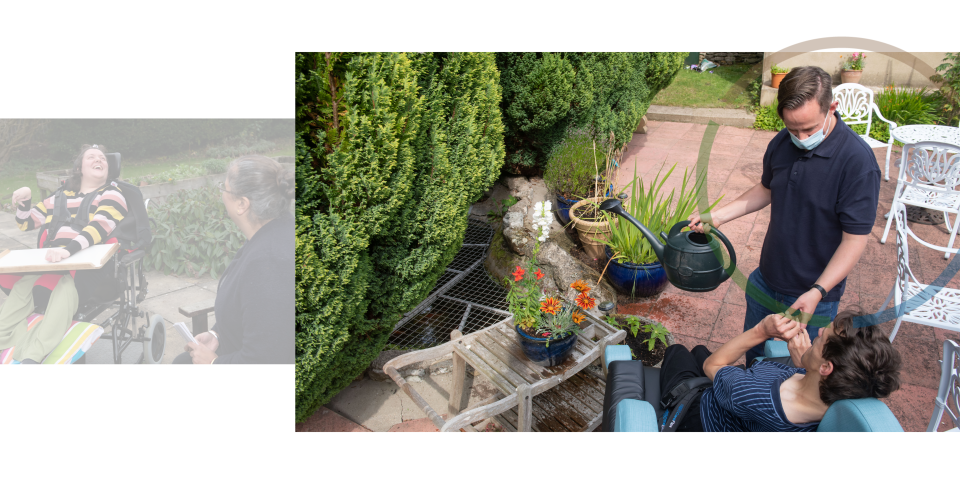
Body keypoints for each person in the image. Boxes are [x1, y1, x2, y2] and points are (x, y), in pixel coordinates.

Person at [688, 66, 881, 365]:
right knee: (754, 362)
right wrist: (719, 215)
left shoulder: (857, 162)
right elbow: (767, 189)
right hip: (766, 281)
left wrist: (817, 291)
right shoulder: (781, 142)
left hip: (813, 297)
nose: (801, 137)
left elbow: (854, 240)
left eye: (809, 129)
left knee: (798, 376)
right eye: (793, 129)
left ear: (832, 107)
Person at [658, 308, 902, 432]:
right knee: (700, 348)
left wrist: (762, 330)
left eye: (823, 338)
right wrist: (806, 363)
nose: (817, 332)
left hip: (702, 413)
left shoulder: (755, 397)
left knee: (680, 351)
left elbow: (712, 366)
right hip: (741, 398)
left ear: (826, 367)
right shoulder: (830, 395)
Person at [0, 144, 129, 363]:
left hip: (89, 266)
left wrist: (67, 251)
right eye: (92, 157)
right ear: (80, 167)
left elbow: (99, 227)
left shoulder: (113, 194)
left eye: (103, 158)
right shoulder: (60, 197)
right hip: (54, 262)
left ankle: (32, 357)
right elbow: (26, 223)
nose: (99, 160)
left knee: (64, 287)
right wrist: (25, 202)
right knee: (24, 286)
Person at [175, 155, 294, 364]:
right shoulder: (272, 232)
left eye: (225, 187)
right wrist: (216, 336)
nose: (222, 193)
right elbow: (254, 314)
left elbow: (267, 359)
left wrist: (212, 363)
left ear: (241, 204)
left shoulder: (269, 263)